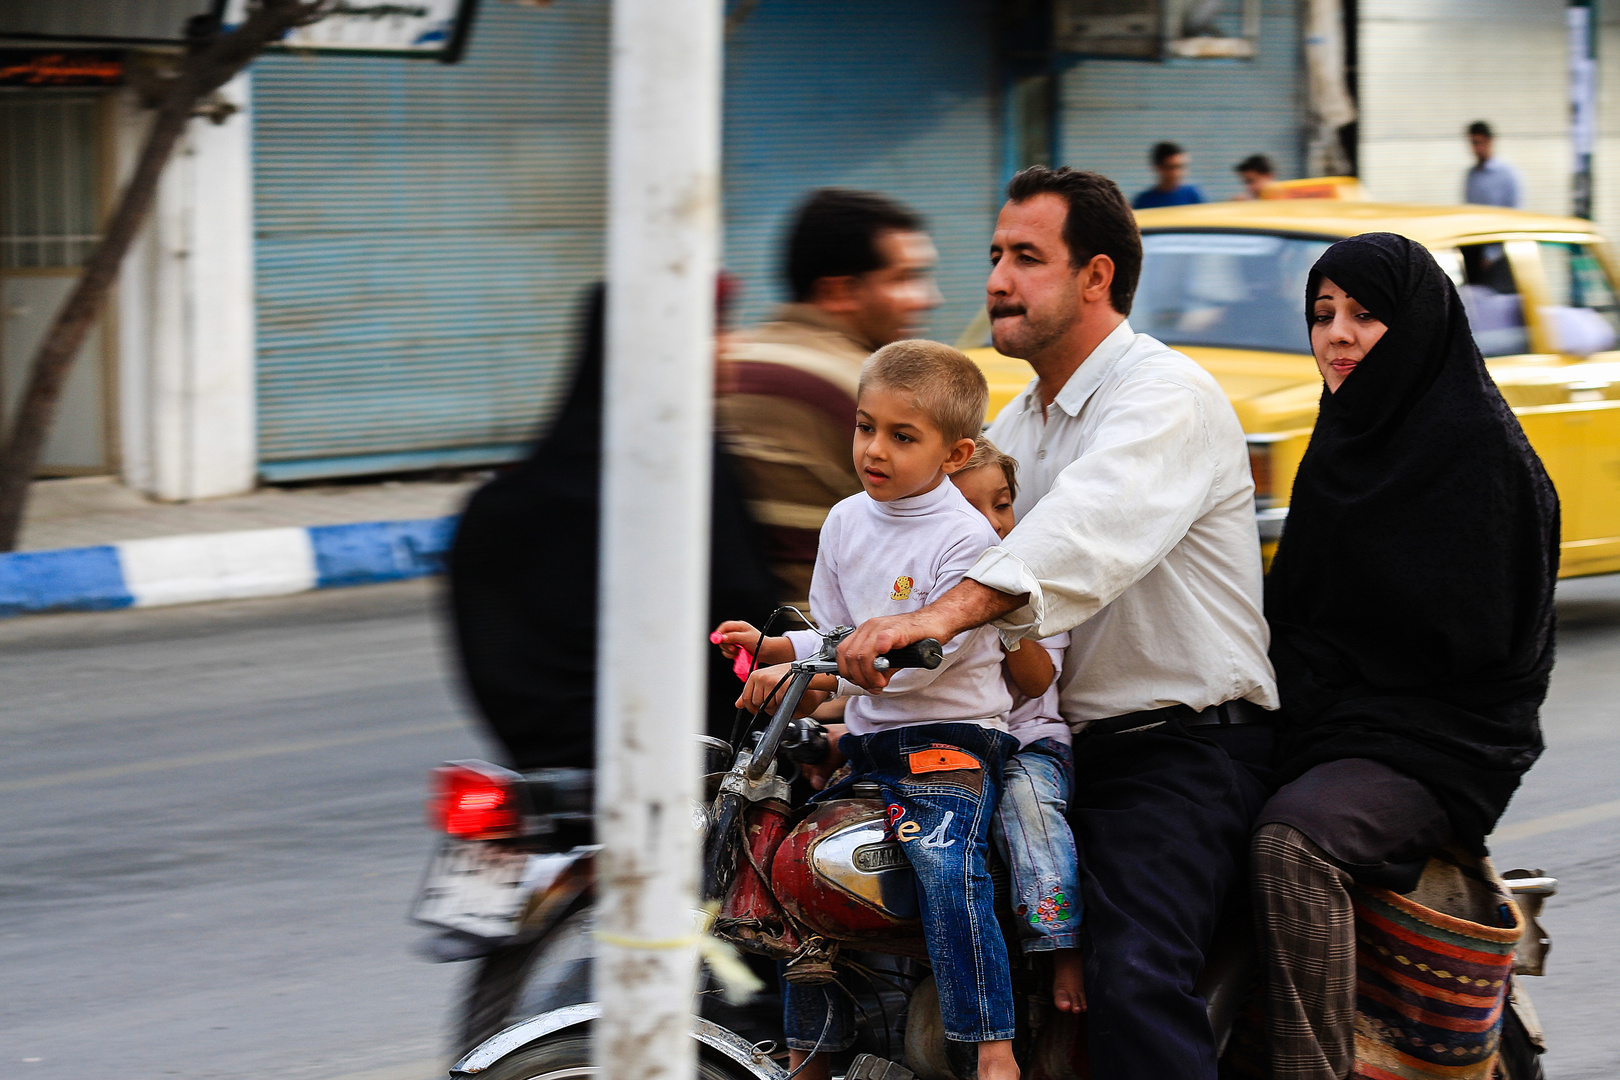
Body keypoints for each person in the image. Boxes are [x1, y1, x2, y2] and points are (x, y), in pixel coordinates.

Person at [836, 165, 1278, 1080]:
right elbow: (918, 538)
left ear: (1096, 277)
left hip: (1174, 755)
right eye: (995, 254)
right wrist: (815, 653)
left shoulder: (1162, 398)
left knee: (1129, 975)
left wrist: (935, 616)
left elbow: (1082, 535)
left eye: (1026, 257)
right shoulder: (1017, 423)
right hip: (1042, 744)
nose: (996, 277)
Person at [1251, 233, 1559, 1079]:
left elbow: (1468, 648)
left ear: (1418, 325)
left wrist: (1324, 681)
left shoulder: (1481, 458)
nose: (1337, 336)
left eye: (1365, 315)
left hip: (1439, 740)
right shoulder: (1344, 440)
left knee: (1292, 842)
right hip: (1334, 718)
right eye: (1322, 315)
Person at [715, 340, 1020, 1080]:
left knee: (947, 865)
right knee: (789, 869)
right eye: (863, 426)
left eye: (901, 436)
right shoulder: (846, 521)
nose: (873, 449)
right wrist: (779, 649)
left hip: (950, 743)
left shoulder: (964, 539)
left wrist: (825, 675)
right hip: (867, 745)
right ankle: (812, 1056)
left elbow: (918, 667)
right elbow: (833, 633)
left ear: (957, 452)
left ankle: (992, 1049)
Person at [449, 284, 778, 771]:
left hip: (545, 780)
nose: (732, 343)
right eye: (714, 329)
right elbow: (744, 621)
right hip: (682, 777)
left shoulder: (497, 508)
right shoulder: (685, 474)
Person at [718, 188, 940, 613]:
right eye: (905, 279)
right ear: (838, 291)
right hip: (825, 658)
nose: (928, 298)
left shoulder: (729, 363)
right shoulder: (874, 393)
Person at [951, 437, 1084, 1015]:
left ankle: (1062, 946)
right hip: (958, 746)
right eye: (968, 508)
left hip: (1028, 745)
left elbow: (1035, 681)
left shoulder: (1030, 584)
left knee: (1026, 804)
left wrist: (1006, 618)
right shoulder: (927, 582)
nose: (991, 524)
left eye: (1001, 504)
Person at [1464, 121, 1523, 208]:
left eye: (1480, 142)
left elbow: (1515, 210)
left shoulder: (1507, 174)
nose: (1477, 149)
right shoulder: (1471, 174)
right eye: (1474, 143)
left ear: (1490, 142)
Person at [1131, 141, 1206, 209]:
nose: (1178, 173)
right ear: (1158, 167)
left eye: (1182, 166)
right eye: (1172, 167)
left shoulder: (1194, 196)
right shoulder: (1144, 201)